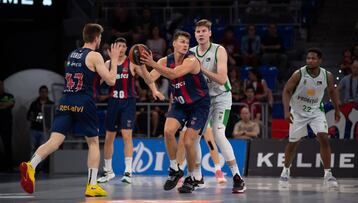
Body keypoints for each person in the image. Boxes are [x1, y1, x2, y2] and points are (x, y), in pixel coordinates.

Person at [19, 23, 121, 197]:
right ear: (96, 38)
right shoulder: (95, 56)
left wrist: (103, 68)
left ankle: (31, 165)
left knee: (55, 141)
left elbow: (90, 79)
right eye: (100, 38)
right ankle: (92, 185)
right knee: (94, 142)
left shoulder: (72, 54)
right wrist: (115, 61)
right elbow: (111, 80)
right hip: (84, 103)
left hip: (66, 101)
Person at [141, 30, 210, 193]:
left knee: (188, 142)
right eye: (182, 42)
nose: (185, 45)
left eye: (187, 42)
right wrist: (142, 65)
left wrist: (152, 63)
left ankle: (192, 177)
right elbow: (150, 78)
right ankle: (175, 169)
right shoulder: (165, 60)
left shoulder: (192, 60)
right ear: (174, 44)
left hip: (199, 105)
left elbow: (174, 74)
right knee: (168, 131)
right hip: (180, 103)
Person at [97, 37, 164, 184]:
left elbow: (147, 78)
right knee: (109, 138)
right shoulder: (108, 63)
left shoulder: (133, 63)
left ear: (126, 48)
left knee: (127, 136)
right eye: (118, 45)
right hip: (113, 102)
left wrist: (154, 90)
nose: (120, 48)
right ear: (114, 48)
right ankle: (108, 171)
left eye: (123, 46)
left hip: (128, 102)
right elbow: (97, 81)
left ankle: (128, 171)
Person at [190, 19, 246, 193]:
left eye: (203, 31)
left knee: (218, 134)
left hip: (222, 96)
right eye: (198, 31)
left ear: (210, 33)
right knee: (193, 137)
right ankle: (198, 177)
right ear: (195, 34)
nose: (200, 34)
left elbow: (222, 79)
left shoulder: (219, 50)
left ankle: (237, 177)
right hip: (203, 100)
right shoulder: (190, 53)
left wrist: (201, 69)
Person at [279, 48, 340, 189]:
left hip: (316, 111)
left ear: (320, 60)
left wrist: (337, 109)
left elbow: (332, 92)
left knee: (324, 137)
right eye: (308, 58)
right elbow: (286, 91)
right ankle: (286, 170)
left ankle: (328, 174)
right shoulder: (298, 74)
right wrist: (286, 111)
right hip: (298, 112)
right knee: (293, 143)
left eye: (313, 58)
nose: (310, 61)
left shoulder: (327, 75)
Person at [27, 85, 54, 156]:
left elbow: (53, 117)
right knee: (32, 149)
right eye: (42, 92)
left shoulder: (51, 104)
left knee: (43, 150)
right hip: (34, 129)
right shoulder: (34, 103)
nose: (43, 93)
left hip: (45, 131)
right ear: (39, 93)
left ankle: (41, 166)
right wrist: (36, 118)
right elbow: (28, 116)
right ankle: (32, 166)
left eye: (45, 92)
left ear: (47, 93)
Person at [0, 80, 15, 172]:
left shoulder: (9, 96)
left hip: (6, 124)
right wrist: (4, 105)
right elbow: (5, 105)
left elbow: (11, 103)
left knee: (7, 145)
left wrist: (5, 105)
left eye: (1, 84)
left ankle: (9, 167)